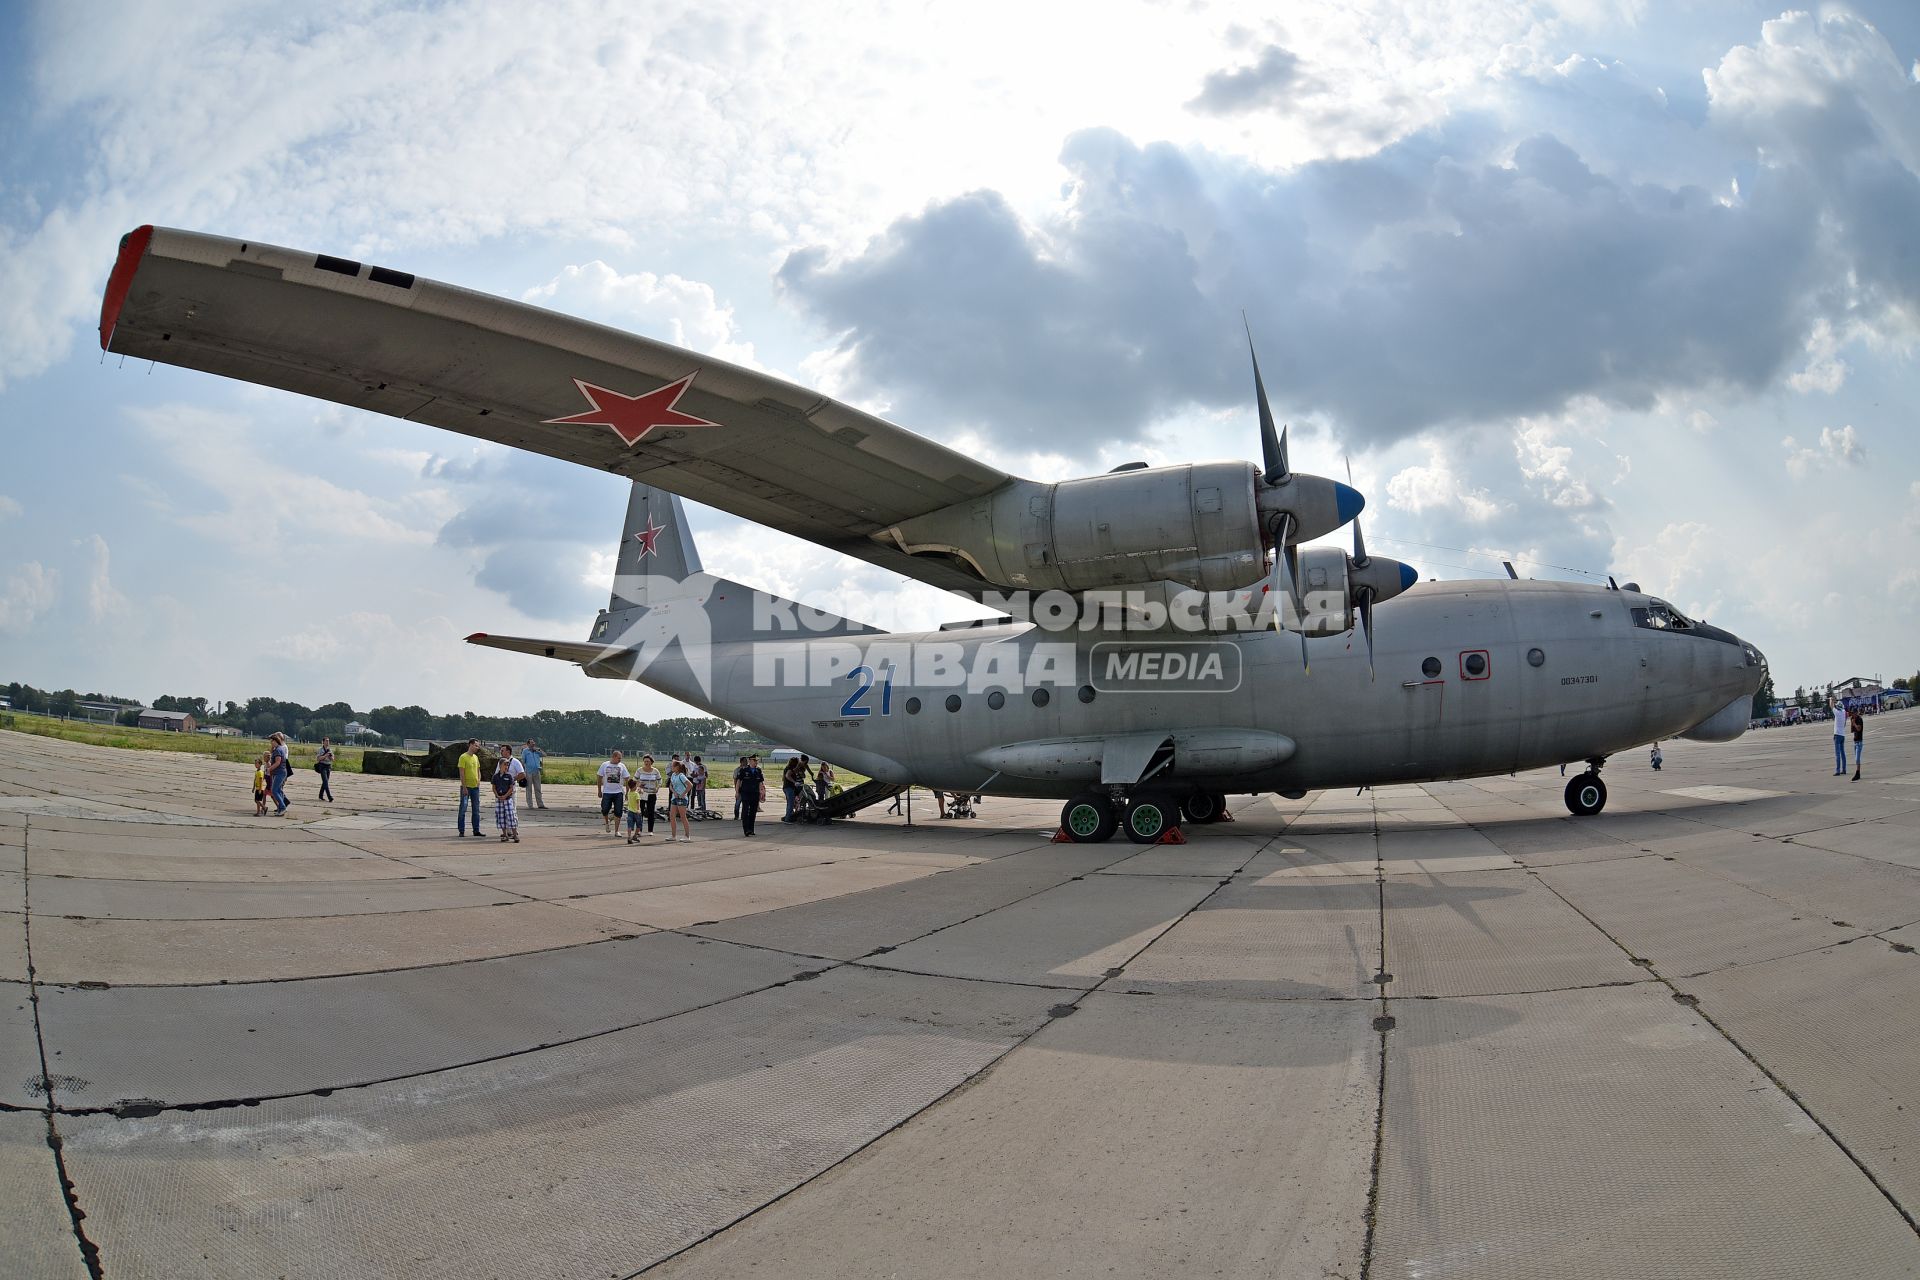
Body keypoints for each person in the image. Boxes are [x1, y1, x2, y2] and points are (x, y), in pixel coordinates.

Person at [457, 738, 486, 837]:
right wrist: (464, 787)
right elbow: (461, 773)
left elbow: (478, 770)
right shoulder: (463, 757)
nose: (477, 748)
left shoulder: (476, 757)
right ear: (470, 745)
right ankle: (461, 830)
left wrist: (479, 781)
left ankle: (476, 830)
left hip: (475, 788)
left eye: (478, 746)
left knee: (476, 809)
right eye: (476, 745)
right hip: (466, 787)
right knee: (463, 808)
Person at [597, 750, 630, 834]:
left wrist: (627, 792)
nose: (620, 760)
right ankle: (607, 822)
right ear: (614, 757)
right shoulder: (605, 765)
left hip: (618, 792)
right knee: (604, 810)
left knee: (618, 812)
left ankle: (616, 831)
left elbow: (627, 779)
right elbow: (599, 777)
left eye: (621, 758)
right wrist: (599, 790)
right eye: (619, 758)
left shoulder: (622, 766)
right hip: (607, 792)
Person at [491, 754, 521, 843]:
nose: (506, 767)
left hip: (507, 799)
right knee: (501, 816)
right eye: (505, 765)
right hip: (499, 799)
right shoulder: (495, 777)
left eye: (507, 765)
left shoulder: (509, 776)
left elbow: (511, 788)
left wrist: (505, 796)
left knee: (511, 816)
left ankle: (515, 835)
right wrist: (497, 795)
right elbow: (493, 787)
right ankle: (505, 834)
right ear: (500, 766)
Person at [736, 754, 766, 836]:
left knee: (753, 812)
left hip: (755, 793)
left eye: (757, 761)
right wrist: (737, 792)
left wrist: (762, 792)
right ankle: (746, 830)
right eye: (754, 760)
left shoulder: (758, 771)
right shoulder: (744, 770)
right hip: (745, 793)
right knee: (745, 811)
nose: (756, 762)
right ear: (750, 761)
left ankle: (751, 829)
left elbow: (760, 782)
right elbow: (738, 781)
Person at [667, 758, 694, 842]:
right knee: (672, 816)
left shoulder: (681, 776)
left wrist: (683, 793)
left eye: (673, 766)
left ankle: (687, 836)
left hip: (681, 799)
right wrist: (674, 792)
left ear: (677, 767)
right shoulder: (673, 775)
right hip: (674, 798)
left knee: (683, 817)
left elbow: (690, 785)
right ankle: (673, 835)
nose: (672, 767)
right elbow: (671, 785)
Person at [635, 754, 661, 835]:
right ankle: (639, 830)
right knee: (640, 812)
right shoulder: (639, 770)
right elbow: (634, 779)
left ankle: (650, 830)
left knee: (651, 812)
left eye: (648, 761)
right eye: (645, 761)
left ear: (651, 762)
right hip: (642, 793)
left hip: (652, 793)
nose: (646, 763)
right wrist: (639, 784)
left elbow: (660, 780)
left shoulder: (655, 771)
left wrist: (657, 788)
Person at [267, 732, 292, 817]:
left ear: (275, 741)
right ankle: (281, 808)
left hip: (280, 773)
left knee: (274, 790)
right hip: (280, 772)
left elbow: (278, 762)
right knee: (279, 790)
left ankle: (282, 807)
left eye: (272, 741)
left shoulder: (278, 750)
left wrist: (270, 769)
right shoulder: (278, 748)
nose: (271, 743)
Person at [782, 755, 807, 822]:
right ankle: (788, 819)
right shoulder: (789, 769)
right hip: (789, 787)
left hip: (788, 787)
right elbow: (788, 775)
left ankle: (789, 817)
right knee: (791, 803)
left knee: (790, 803)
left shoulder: (790, 768)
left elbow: (801, 774)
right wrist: (794, 782)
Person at [522, 739, 546, 809]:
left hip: (537, 771)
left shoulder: (537, 751)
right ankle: (530, 805)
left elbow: (545, 755)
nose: (533, 744)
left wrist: (539, 750)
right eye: (532, 743)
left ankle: (540, 804)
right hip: (528, 772)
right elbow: (523, 761)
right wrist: (523, 772)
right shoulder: (525, 751)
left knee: (538, 788)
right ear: (528, 744)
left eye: (534, 742)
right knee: (529, 789)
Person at [315, 737, 335, 802]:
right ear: (323, 742)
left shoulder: (330, 750)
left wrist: (330, 756)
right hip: (322, 766)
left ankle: (320, 795)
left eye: (328, 741)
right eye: (326, 741)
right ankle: (329, 796)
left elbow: (333, 759)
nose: (327, 742)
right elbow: (318, 759)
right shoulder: (320, 750)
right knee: (325, 781)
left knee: (325, 782)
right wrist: (325, 756)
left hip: (328, 766)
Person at [1832, 699, 1849, 776]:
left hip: (1837, 734)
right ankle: (1844, 769)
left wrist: (1830, 700)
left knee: (1837, 753)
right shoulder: (1844, 712)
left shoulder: (1837, 712)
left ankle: (1838, 770)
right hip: (1842, 734)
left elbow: (1831, 706)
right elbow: (1845, 723)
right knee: (1843, 753)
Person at [1851, 708, 1865, 782]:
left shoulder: (1859, 719)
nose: (1853, 715)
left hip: (1859, 742)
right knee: (1856, 759)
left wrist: (1854, 724)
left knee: (1857, 759)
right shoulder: (1853, 719)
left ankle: (1858, 773)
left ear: (1856, 713)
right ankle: (1858, 772)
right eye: (1852, 713)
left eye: (1854, 713)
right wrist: (1852, 723)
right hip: (1855, 741)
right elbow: (1852, 730)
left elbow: (1859, 729)